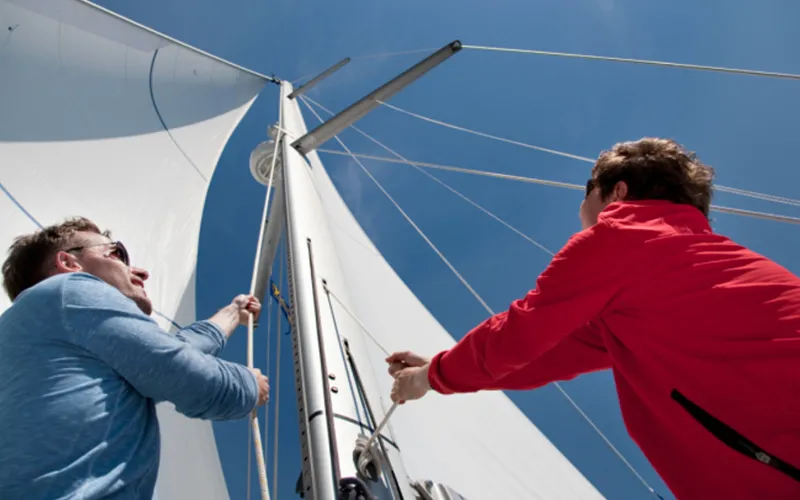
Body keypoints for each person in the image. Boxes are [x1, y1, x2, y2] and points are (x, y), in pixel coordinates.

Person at [386, 137, 800, 500]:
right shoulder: (683, 264)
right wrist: (440, 368)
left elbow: (521, 333)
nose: (581, 204)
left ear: (617, 192)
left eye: (588, 189)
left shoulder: (625, 236)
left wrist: (429, 379)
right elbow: (543, 354)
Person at [0, 217, 270, 499]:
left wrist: (231, 313)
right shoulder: (70, 289)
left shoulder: (41, 330)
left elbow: (169, 354)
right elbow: (182, 373)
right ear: (70, 264)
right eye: (118, 254)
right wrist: (249, 384)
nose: (140, 271)